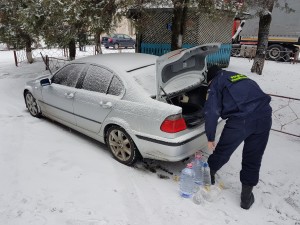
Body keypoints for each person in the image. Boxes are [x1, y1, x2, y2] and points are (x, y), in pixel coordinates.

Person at [203, 65, 272, 210]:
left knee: (223, 151)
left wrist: (210, 138)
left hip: (242, 120)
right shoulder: (236, 75)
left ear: (210, 80)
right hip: (264, 115)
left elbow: (211, 112)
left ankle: (209, 176)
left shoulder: (215, 83)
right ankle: (246, 199)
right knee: (253, 157)